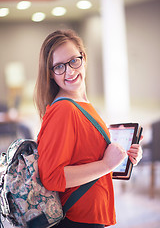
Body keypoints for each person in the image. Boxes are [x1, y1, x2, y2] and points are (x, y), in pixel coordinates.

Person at [35, 29, 143, 228]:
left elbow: (86, 160)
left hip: (91, 214)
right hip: (76, 219)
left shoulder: (83, 104)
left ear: (83, 58)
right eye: (59, 66)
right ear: (51, 73)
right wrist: (106, 165)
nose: (69, 71)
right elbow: (52, 177)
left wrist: (121, 158)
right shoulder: (64, 109)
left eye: (73, 61)